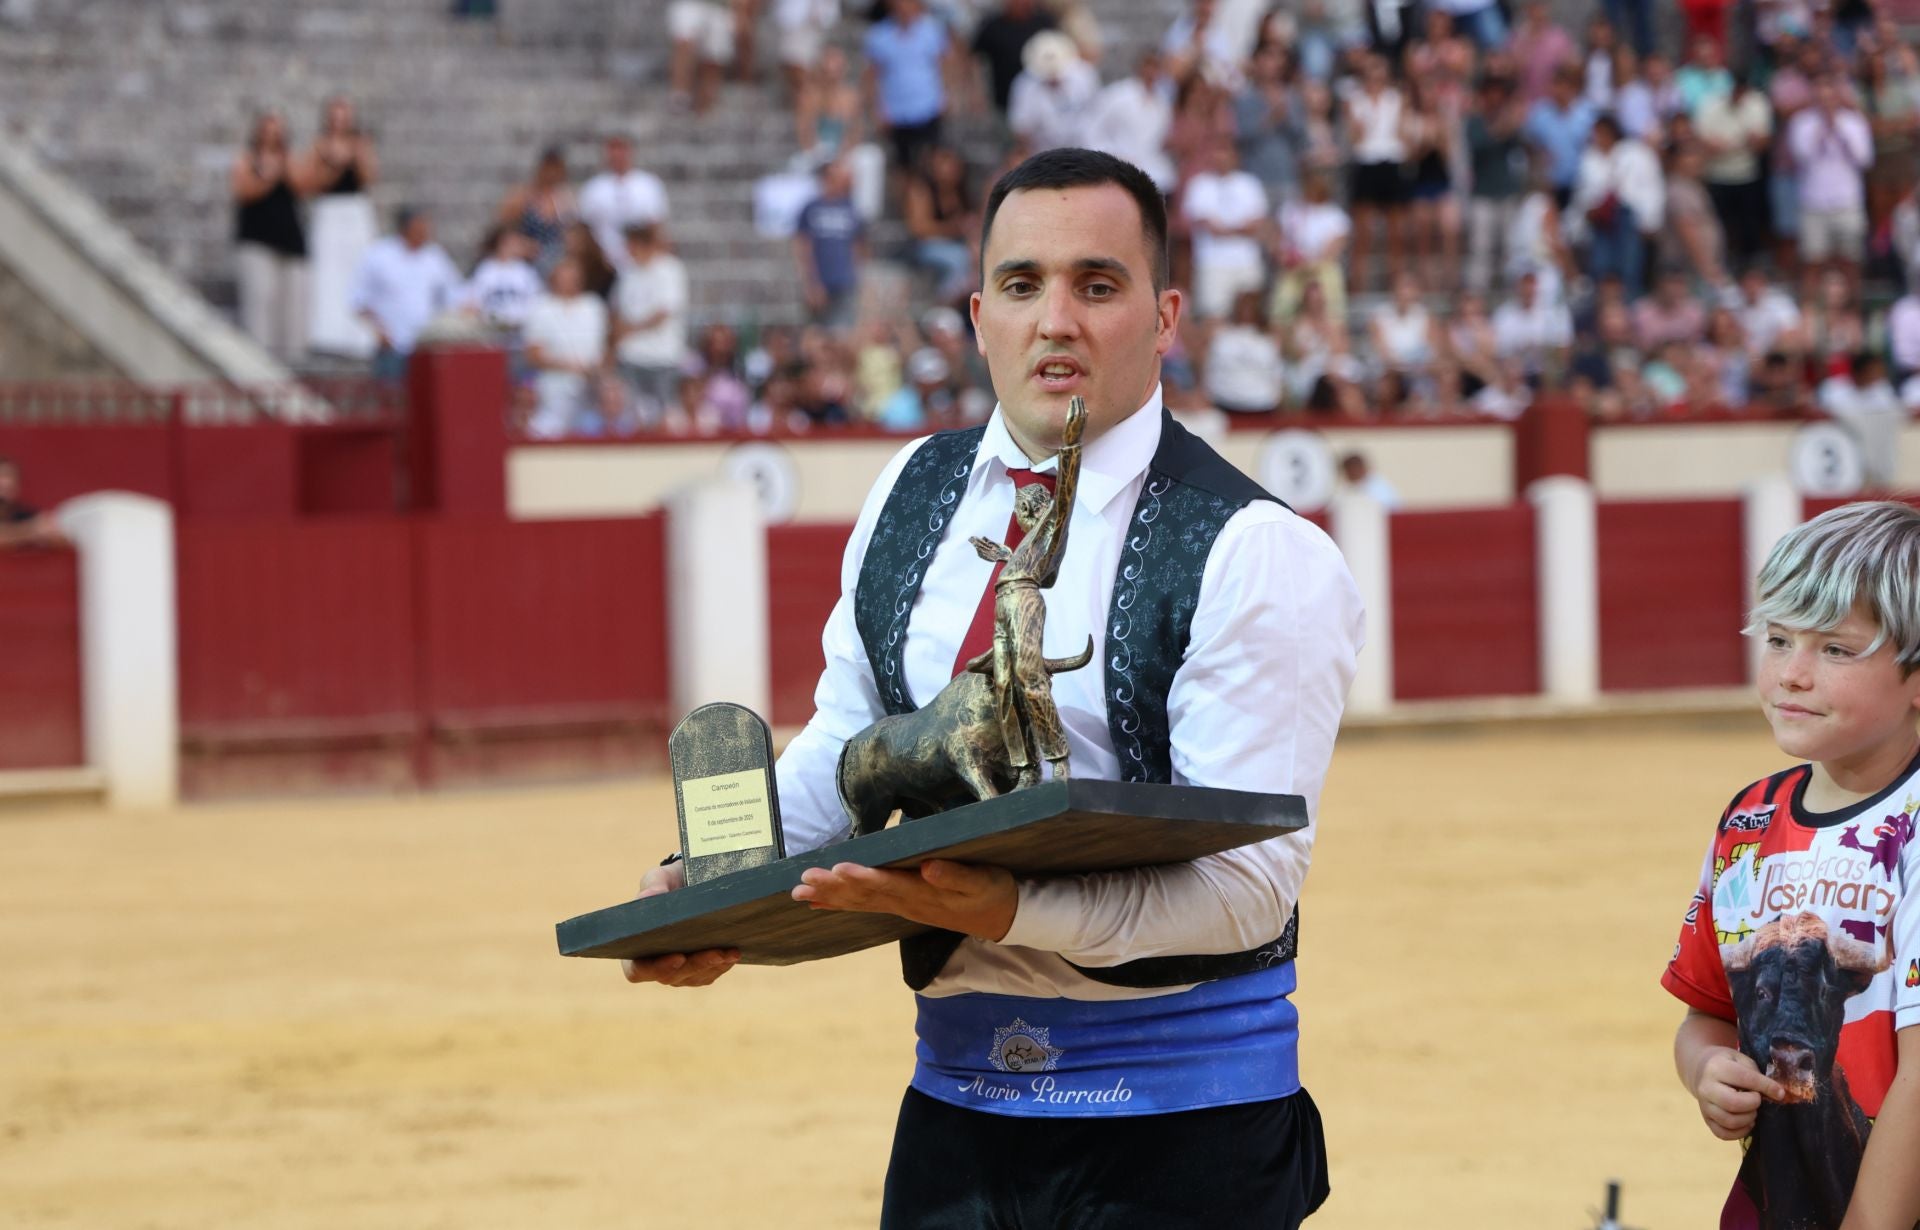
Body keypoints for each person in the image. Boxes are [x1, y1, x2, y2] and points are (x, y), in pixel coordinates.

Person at [621, 147, 1362, 1228]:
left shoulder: (1258, 552)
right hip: (959, 1111)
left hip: (1183, 1125)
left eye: (1096, 286)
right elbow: (850, 741)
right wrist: (722, 882)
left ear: (1164, 318)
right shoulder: (912, 488)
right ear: (978, 316)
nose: (1055, 319)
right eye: (1023, 285)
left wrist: (1015, 908)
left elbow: (1252, 883)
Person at [1663, 500, 1920, 1230]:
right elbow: (1707, 1014)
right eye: (1778, 640)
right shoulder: (1749, 821)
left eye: (1836, 650)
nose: (1793, 674)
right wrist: (1708, 1073)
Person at [298, 96, 380, 359]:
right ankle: (327, 332)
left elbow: (369, 178)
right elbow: (312, 183)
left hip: (355, 210)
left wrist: (359, 154)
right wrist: (335, 163)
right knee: (328, 272)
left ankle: (360, 335)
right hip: (329, 210)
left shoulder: (359, 143)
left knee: (357, 270)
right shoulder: (319, 146)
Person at [348, 207, 464, 381]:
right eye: (418, 228)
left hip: (425, 345)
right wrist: (378, 331)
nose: (424, 232)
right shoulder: (379, 255)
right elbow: (359, 300)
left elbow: (454, 293)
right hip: (392, 345)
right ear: (404, 228)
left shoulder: (434, 256)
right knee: (392, 399)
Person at [230, 110, 309, 361]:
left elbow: (304, 187)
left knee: (291, 310)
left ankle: (292, 361)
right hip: (257, 241)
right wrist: (268, 175)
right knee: (259, 304)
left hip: (290, 243)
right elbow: (244, 191)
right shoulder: (246, 159)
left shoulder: (290, 161)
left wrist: (283, 165)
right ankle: (258, 361)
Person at [1181, 135, 1270, 321]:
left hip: (1246, 261)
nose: (1221, 157)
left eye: (1225, 152)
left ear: (1235, 156)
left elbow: (1256, 224)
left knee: (1250, 316)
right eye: (1217, 152)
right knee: (1214, 316)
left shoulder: (1249, 183)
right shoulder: (1200, 184)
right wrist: (1238, 229)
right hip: (1212, 262)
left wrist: (1225, 230)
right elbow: (1206, 224)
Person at [522, 256, 608, 438]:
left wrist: (595, 371)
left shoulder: (593, 306)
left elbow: (604, 347)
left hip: (590, 385)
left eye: (573, 276)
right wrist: (569, 366)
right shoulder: (541, 308)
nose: (569, 281)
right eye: (565, 276)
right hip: (555, 385)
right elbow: (533, 354)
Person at [612, 224, 690, 423]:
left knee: (666, 412)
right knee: (634, 414)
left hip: (663, 355)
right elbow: (619, 310)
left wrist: (631, 329)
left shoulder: (670, 269)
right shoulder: (628, 273)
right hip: (631, 355)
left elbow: (664, 312)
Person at [863, 0, 954, 172]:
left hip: (928, 105)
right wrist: (878, 109)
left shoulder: (932, 30)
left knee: (932, 161)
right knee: (903, 167)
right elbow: (873, 76)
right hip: (897, 111)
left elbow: (943, 65)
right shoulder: (879, 35)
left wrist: (945, 95)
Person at [578, 136, 669, 274]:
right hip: (603, 264)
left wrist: (645, 255)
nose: (618, 156)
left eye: (622, 150)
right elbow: (584, 229)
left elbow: (655, 226)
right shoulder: (593, 188)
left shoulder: (649, 185)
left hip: (640, 261)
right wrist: (598, 258)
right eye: (613, 150)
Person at [793, 160, 867, 328]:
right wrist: (811, 283)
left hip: (845, 282)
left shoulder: (852, 208)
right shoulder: (811, 208)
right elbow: (803, 247)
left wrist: (857, 277)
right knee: (816, 333)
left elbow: (858, 246)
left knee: (842, 333)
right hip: (819, 282)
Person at [496, 146, 577, 276]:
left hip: (557, 258)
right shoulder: (522, 196)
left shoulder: (566, 199)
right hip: (528, 257)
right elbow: (503, 230)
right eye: (548, 168)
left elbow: (572, 233)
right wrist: (524, 245)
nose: (552, 173)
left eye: (556, 168)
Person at [0, 457, 67, 550]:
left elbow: (61, 537)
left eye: (9, 477)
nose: (5, 482)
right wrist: (31, 531)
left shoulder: (25, 514)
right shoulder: (31, 524)